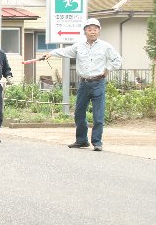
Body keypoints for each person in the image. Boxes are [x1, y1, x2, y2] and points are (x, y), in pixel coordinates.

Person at [43, 18, 122, 152]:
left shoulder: (106, 46)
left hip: (98, 83)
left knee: (98, 115)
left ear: (99, 31)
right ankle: (81, 140)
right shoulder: (78, 46)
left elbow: (117, 60)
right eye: (89, 29)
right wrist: (51, 53)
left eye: (95, 29)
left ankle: (97, 142)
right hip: (83, 83)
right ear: (85, 31)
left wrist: (107, 69)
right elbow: (65, 51)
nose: (92, 32)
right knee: (79, 113)